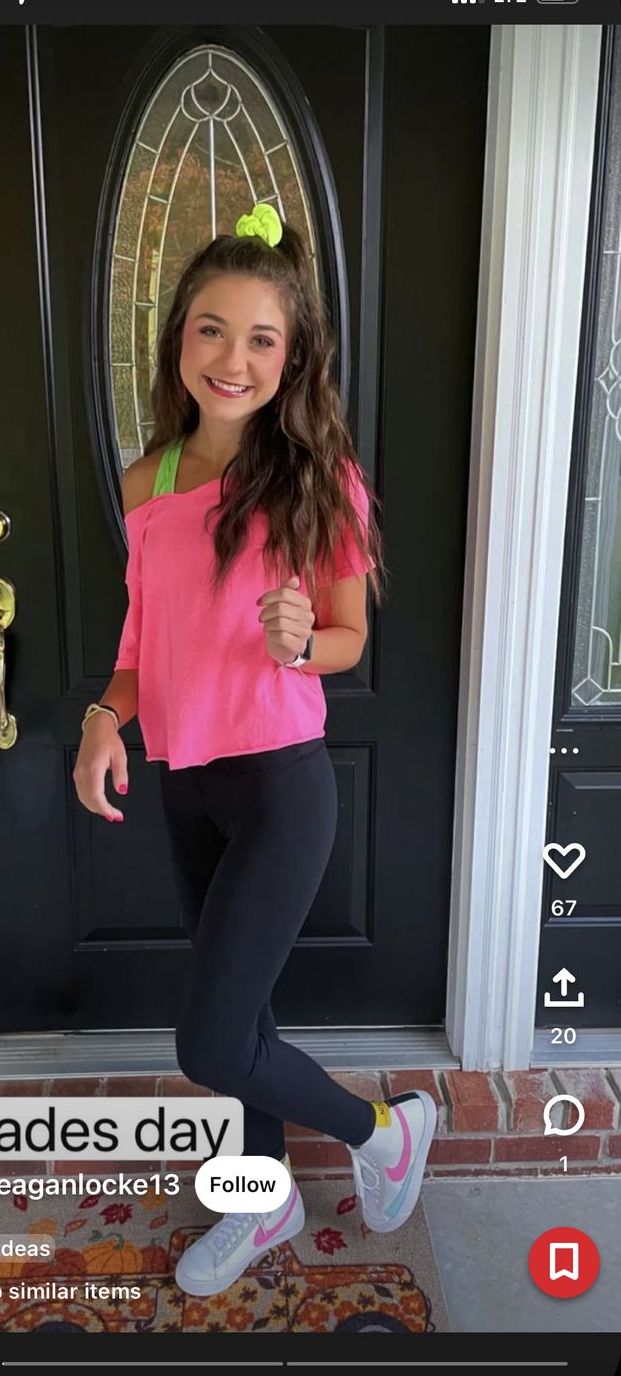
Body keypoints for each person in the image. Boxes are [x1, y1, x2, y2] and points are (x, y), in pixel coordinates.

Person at [73, 202, 437, 1297]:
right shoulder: (148, 484)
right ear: (179, 339)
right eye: (211, 330)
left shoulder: (317, 481)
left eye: (261, 338)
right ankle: (264, 1190)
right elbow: (144, 640)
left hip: (281, 788)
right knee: (246, 1017)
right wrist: (104, 715)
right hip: (187, 785)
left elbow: (346, 634)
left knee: (209, 1040)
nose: (233, 358)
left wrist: (300, 641)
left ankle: (383, 1130)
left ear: (293, 357)